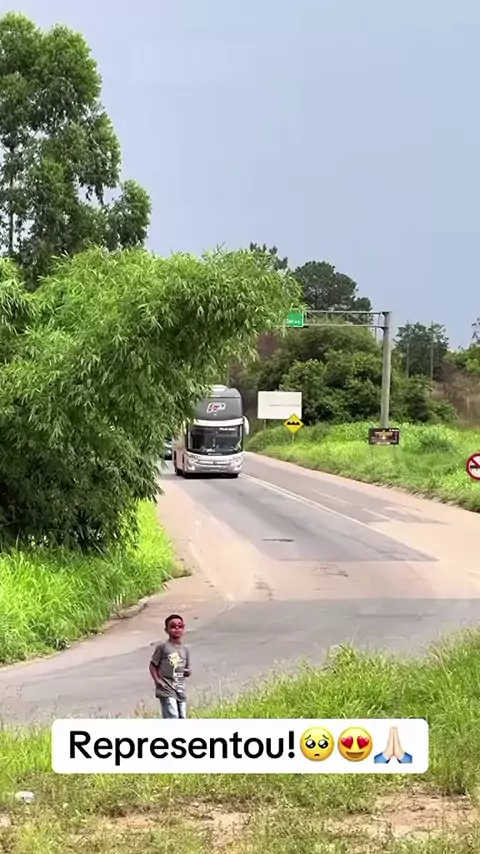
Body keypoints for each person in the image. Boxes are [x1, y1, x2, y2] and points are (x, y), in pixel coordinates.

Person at [149, 614, 191, 718]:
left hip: (180, 688)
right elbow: (153, 665)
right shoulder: (163, 647)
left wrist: (187, 672)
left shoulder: (185, 649)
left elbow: (187, 669)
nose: (177, 629)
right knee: (172, 715)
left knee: (182, 716)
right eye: (173, 626)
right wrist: (157, 681)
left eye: (180, 626)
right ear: (166, 630)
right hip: (166, 687)